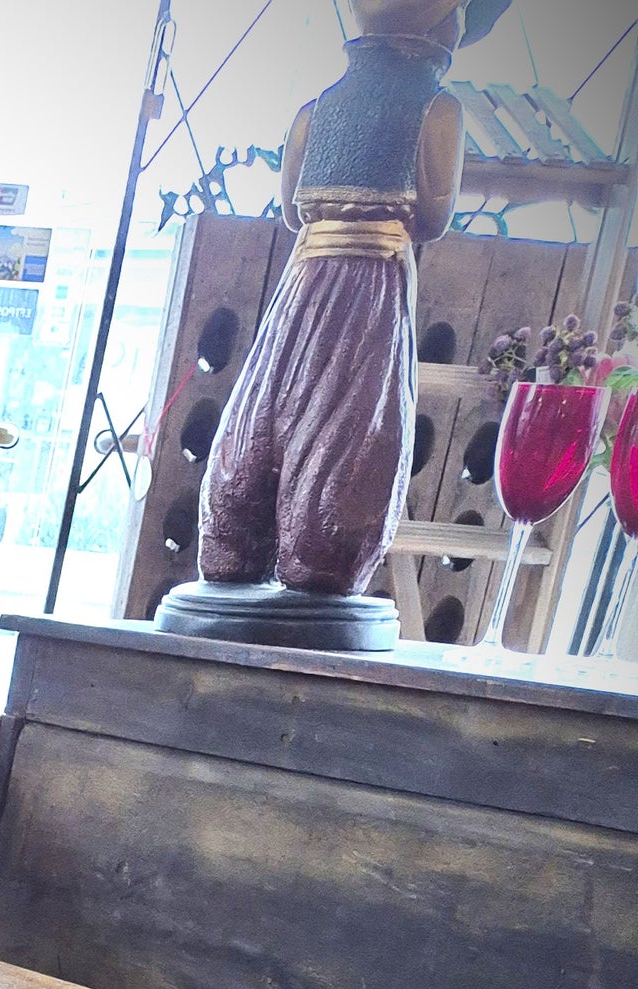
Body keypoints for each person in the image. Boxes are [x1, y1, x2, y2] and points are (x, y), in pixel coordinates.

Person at [192, 0, 513, 609]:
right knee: (353, 435)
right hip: (372, 288)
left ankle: (234, 544)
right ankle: (318, 557)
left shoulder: (314, 111)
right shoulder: (439, 109)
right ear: (443, 21)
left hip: (302, 287)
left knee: (264, 414)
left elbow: (292, 213)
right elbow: (434, 218)